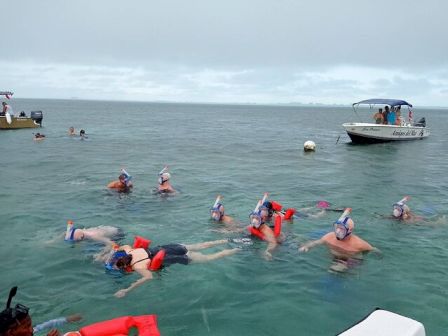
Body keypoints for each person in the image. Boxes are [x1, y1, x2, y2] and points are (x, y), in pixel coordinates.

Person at [107, 238, 239, 298]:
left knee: (209, 258)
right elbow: (124, 246)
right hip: (170, 247)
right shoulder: (131, 251)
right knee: (202, 245)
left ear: (126, 267)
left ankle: (237, 250)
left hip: (172, 258)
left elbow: (149, 277)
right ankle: (227, 240)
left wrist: (127, 289)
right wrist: (115, 249)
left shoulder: (138, 266)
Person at [0, 286, 81, 336]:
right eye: (26, 327)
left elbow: (47, 324)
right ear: (10, 333)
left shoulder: (27, 332)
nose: (31, 330)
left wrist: (67, 319)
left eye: (30, 325)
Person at [299, 208, 378, 255]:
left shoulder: (359, 244)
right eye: (337, 227)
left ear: (350, 231)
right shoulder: (330, 236)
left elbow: (374, 250)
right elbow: (317, 242)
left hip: (349, 260)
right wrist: (307, 246)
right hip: (334, 255)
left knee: (337, 269)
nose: (338, 231)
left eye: (342, 229)